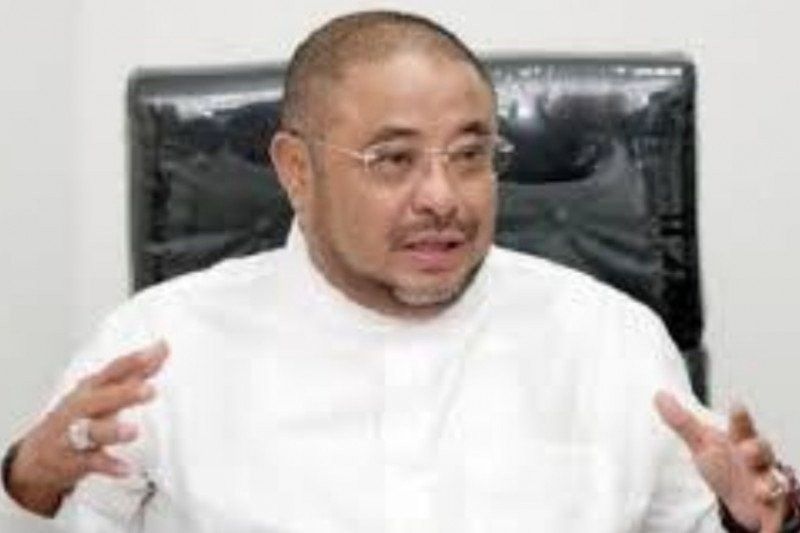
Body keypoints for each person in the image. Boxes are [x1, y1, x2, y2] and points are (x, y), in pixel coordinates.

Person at [2, 10, 798, 533]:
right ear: (296, 170)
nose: (443, 197)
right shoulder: (160, 348)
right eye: (393, 159)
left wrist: (750, 519)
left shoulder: (609, 339)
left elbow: (706, 522)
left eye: (471, 154)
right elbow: (51, 509)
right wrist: (26, 478)